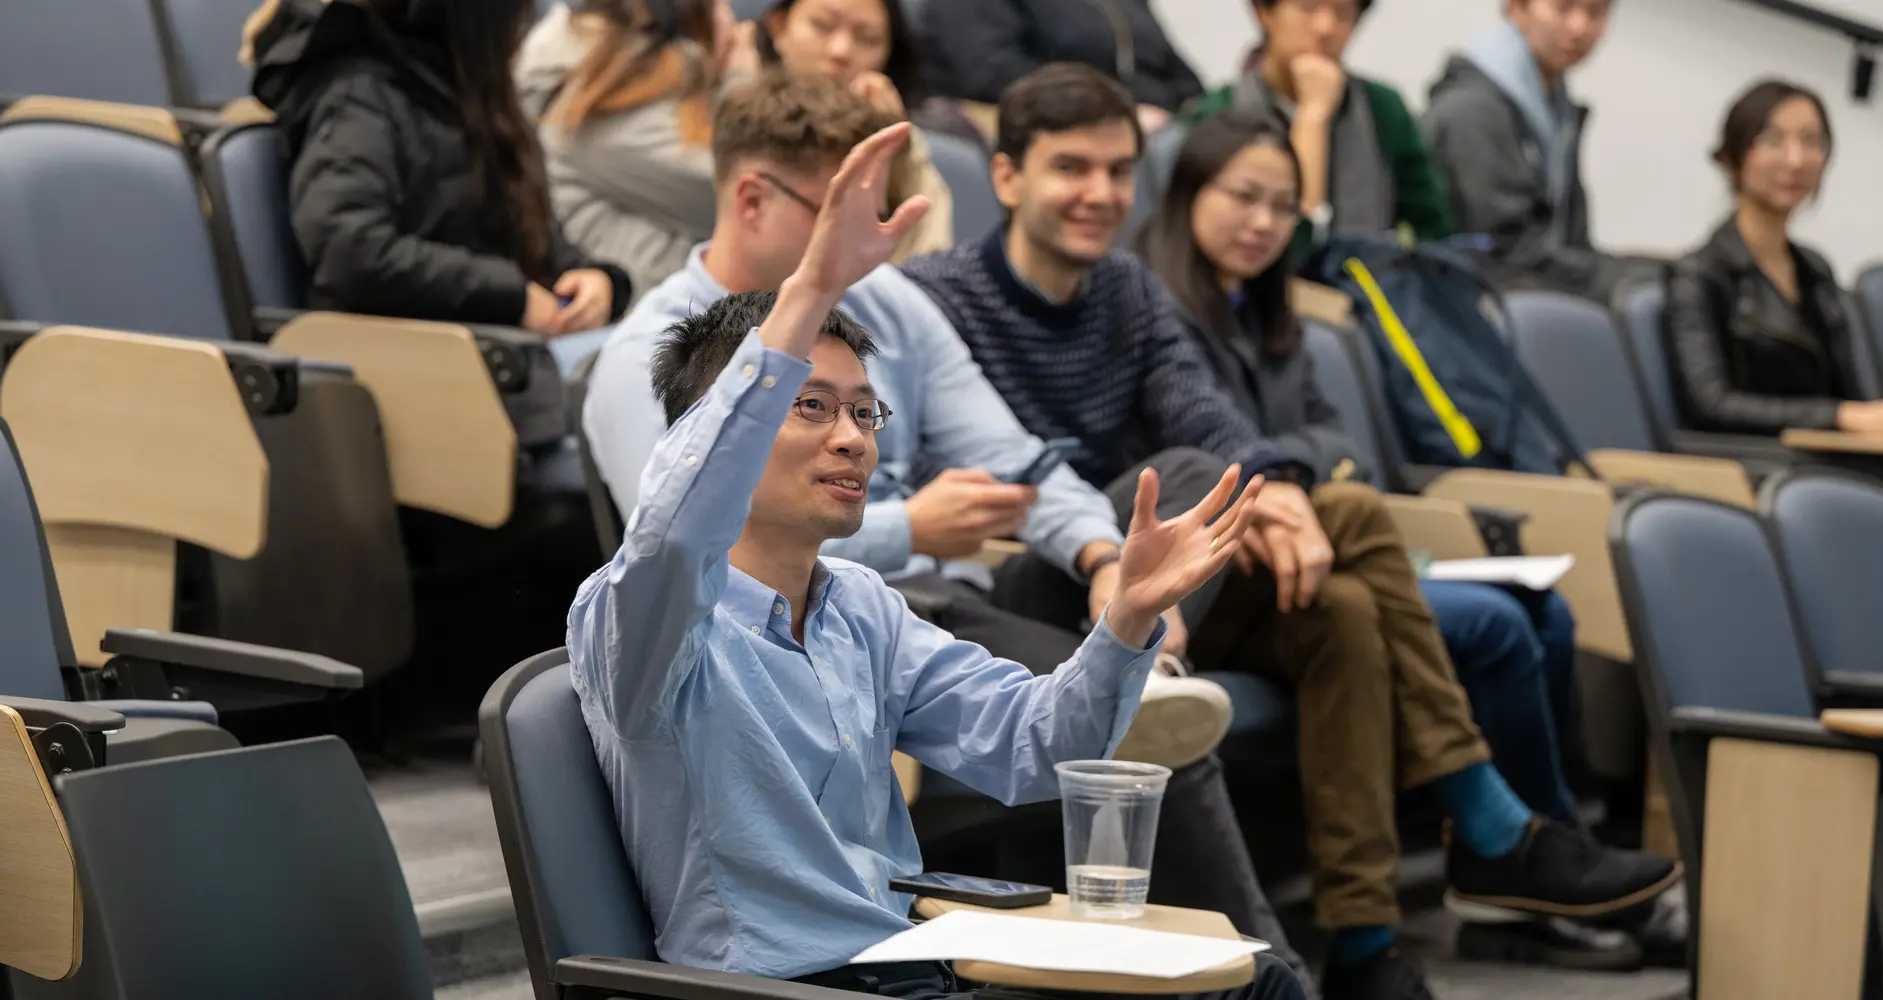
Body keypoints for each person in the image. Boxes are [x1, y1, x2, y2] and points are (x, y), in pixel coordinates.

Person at [903, 64, 1682, 998]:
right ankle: (1487, 820)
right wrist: (1264, 492)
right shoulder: (937, 295)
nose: (1100, 194)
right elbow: (995, 485)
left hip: (1166, 583)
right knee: (1209, 481)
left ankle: (1365, 941)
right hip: (1030, 581)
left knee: (1341, 606)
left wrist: (1277, 492)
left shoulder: (1127, 289)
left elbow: (1205, 410)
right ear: (1006, 178)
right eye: (1071, 168)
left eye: (1116, 171)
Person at [581, 70, 1315, 982]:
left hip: (919, 955)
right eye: (811, 406)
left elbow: (1036, 748)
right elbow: (677, 521)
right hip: (793, 984)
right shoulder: (644, 616)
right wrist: (811, 285)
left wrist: (1125, 619)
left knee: (1257, 977)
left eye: (862, 411)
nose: (852, 437)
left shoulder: (860, 608)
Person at [1137, 109, 1677, 971]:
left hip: (1302, 558)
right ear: (1184, 195)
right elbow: (1202, 453)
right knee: (1477, 611)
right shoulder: (1152, 310)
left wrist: (1289, 481)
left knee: (1497, 612)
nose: (1264, 223)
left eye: (1283, 206)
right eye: (1243, 198)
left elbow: (1333, 438)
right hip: (1208, 572)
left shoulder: (1278, 316)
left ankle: (1405, 925)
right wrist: (1286, 481)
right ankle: (1500, 839)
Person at [1668, 79, 1883, 613]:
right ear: (1733, 156)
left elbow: (1856, 400)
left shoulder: (1815, 270)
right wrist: (1845, 418)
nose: (1795, 159)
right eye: (1773, 140)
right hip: (1774, 474)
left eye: (1812, 141)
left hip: (1844, 471)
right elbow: (1711, 404)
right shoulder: (1699, 275)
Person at [248, 0, 632, 334]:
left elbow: (528, 237)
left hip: (500, 346)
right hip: (419, 356)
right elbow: (348, 248)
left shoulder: (473, 88)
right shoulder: (359, 93)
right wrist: (507, 295)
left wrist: (595, 280)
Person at [1180, 0, 1454, 262]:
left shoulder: (1382, 109)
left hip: (1362, 294)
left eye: (1343, 11)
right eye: (1308, 7)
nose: (1325, 27)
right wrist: (1312, 119)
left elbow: (1436, 229)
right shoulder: (1218, 114)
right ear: (1264, 12)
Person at [515, 0, 750, 293]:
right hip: (638, 311)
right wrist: (741, 78)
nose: (735, 19)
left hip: (657, 297)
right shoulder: (596, 104)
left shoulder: (622, 72)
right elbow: (743, 190)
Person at [1424, 0, 1643, 302]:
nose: (1579, 28)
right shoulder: (1471, 109)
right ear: (1517, 8)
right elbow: (1506, 251)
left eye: (1596, 12)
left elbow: (1572, 243)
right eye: (1563, 8)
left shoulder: (1555, 109)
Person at [756, 0, 957, 257]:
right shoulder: (731, 113)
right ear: (778, 27)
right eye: (822, 25)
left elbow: (925, 259)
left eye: (868, 39)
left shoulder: (900, 142)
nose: (841, 50)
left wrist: (893, 154)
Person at [920, 0, 1202, 133]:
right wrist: (1119, 110)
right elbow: (991, 71)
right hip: (1049, 119)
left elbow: (1184, 79)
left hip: (1157, 126)